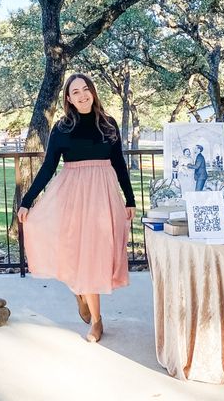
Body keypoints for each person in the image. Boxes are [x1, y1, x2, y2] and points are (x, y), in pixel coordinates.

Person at [17, 73, 136, 343]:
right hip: (73, 196)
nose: (82, 95)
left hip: (103, 197)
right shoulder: (62, 128)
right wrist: (27, 201)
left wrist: (130, 199)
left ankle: (84, 292)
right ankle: (96, 320)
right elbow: (48, 167)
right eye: (75, 92)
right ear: (68, 98)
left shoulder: (109, 124)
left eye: (86, 89)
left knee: (96, 254)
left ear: (92, 92)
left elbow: (119, 164)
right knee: (78, 251)